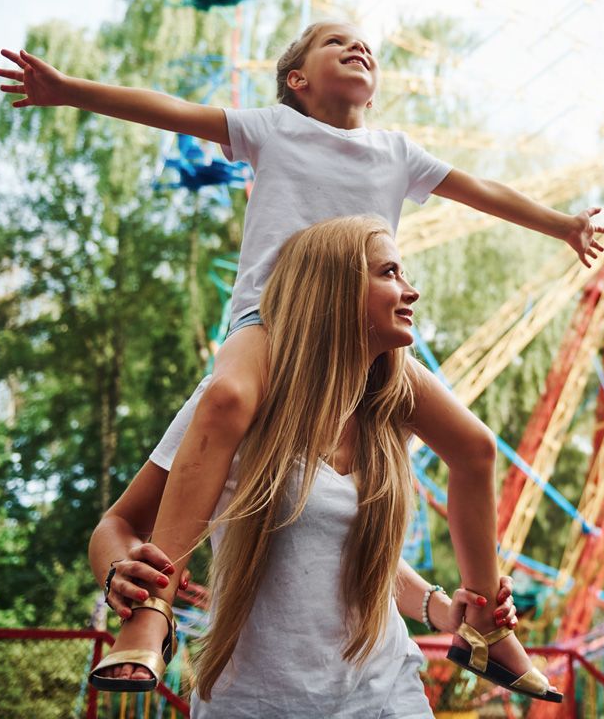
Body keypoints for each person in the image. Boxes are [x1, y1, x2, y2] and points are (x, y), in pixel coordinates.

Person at [0, 19, 599, 696]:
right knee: (224, 400)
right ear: (297, 80)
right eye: (334, 42)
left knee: (475, 447)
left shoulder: (395, 152)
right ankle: (151, 612)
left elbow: (483, 192)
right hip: (274, 318)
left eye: (364, 43)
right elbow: (168, 110)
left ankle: (487, 628)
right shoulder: (273, 130)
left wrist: (563, 225)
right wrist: (68, 90)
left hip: (354, 335)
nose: (357, 45)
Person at [89, 217, 552, 714]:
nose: (411, 291)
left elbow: (353, 552)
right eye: (390, 272)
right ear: (333, 289)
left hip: (383, 692)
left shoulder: (383, 416)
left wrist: (444, 609)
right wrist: (122, 573)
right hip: (257, 700)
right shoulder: (233, 402)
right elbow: (116, 525)